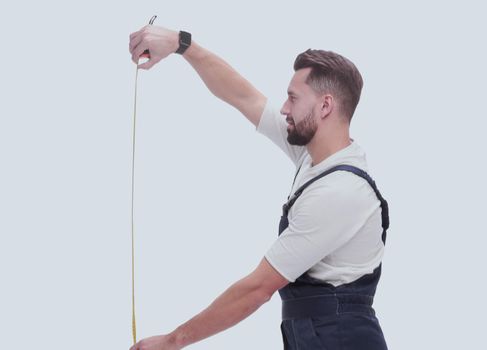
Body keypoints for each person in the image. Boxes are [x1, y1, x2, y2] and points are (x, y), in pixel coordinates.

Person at [128, 24, 389, 350]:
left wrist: (171, 341)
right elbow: (243, 96)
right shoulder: (314, 156)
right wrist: (183, 45)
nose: (283, 108)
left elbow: (258, 288)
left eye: (293, 99)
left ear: (325, 106)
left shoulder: (339, 193)